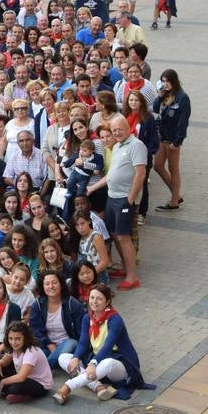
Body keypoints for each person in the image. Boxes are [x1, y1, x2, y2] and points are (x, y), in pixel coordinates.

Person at [54, 284, 151, 404]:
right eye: (92, 297)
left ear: (107, 301)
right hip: (96, 360)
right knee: (63, 358)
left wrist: (93, 363)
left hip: (118, 363)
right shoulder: (87, 318)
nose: (94, 302)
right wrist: (76, 357)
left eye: (99, 299)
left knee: (107, 363)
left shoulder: (115, 319)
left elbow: (108, 346)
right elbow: (83, 343)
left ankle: (67, 387)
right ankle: (98, 387)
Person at [87, 115, 146, 291]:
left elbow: (140, 173)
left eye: (120, 129)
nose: (117, 133)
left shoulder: (136, 145)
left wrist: (131, 197)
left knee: (123, 236)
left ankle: (132, 276)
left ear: (128, 128)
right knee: (114, 233)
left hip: (123, 199)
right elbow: (111, 174)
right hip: (112, 197)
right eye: (114, 131)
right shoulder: (118, 145)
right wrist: (92, 188)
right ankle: (125, 267)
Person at [154, 69, 191, 211]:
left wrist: (178, 141)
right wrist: (159, 95)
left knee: (173, 169)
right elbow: (156, 110)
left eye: (168, 81)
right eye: (163, 81)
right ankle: (177, 194)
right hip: (161, 137)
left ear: (174, 81)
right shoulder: (165, 95)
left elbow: (183, 122)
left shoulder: (182, 97)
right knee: (157, 166)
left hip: (172, 140)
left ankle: (174, 201)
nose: (165, 84)